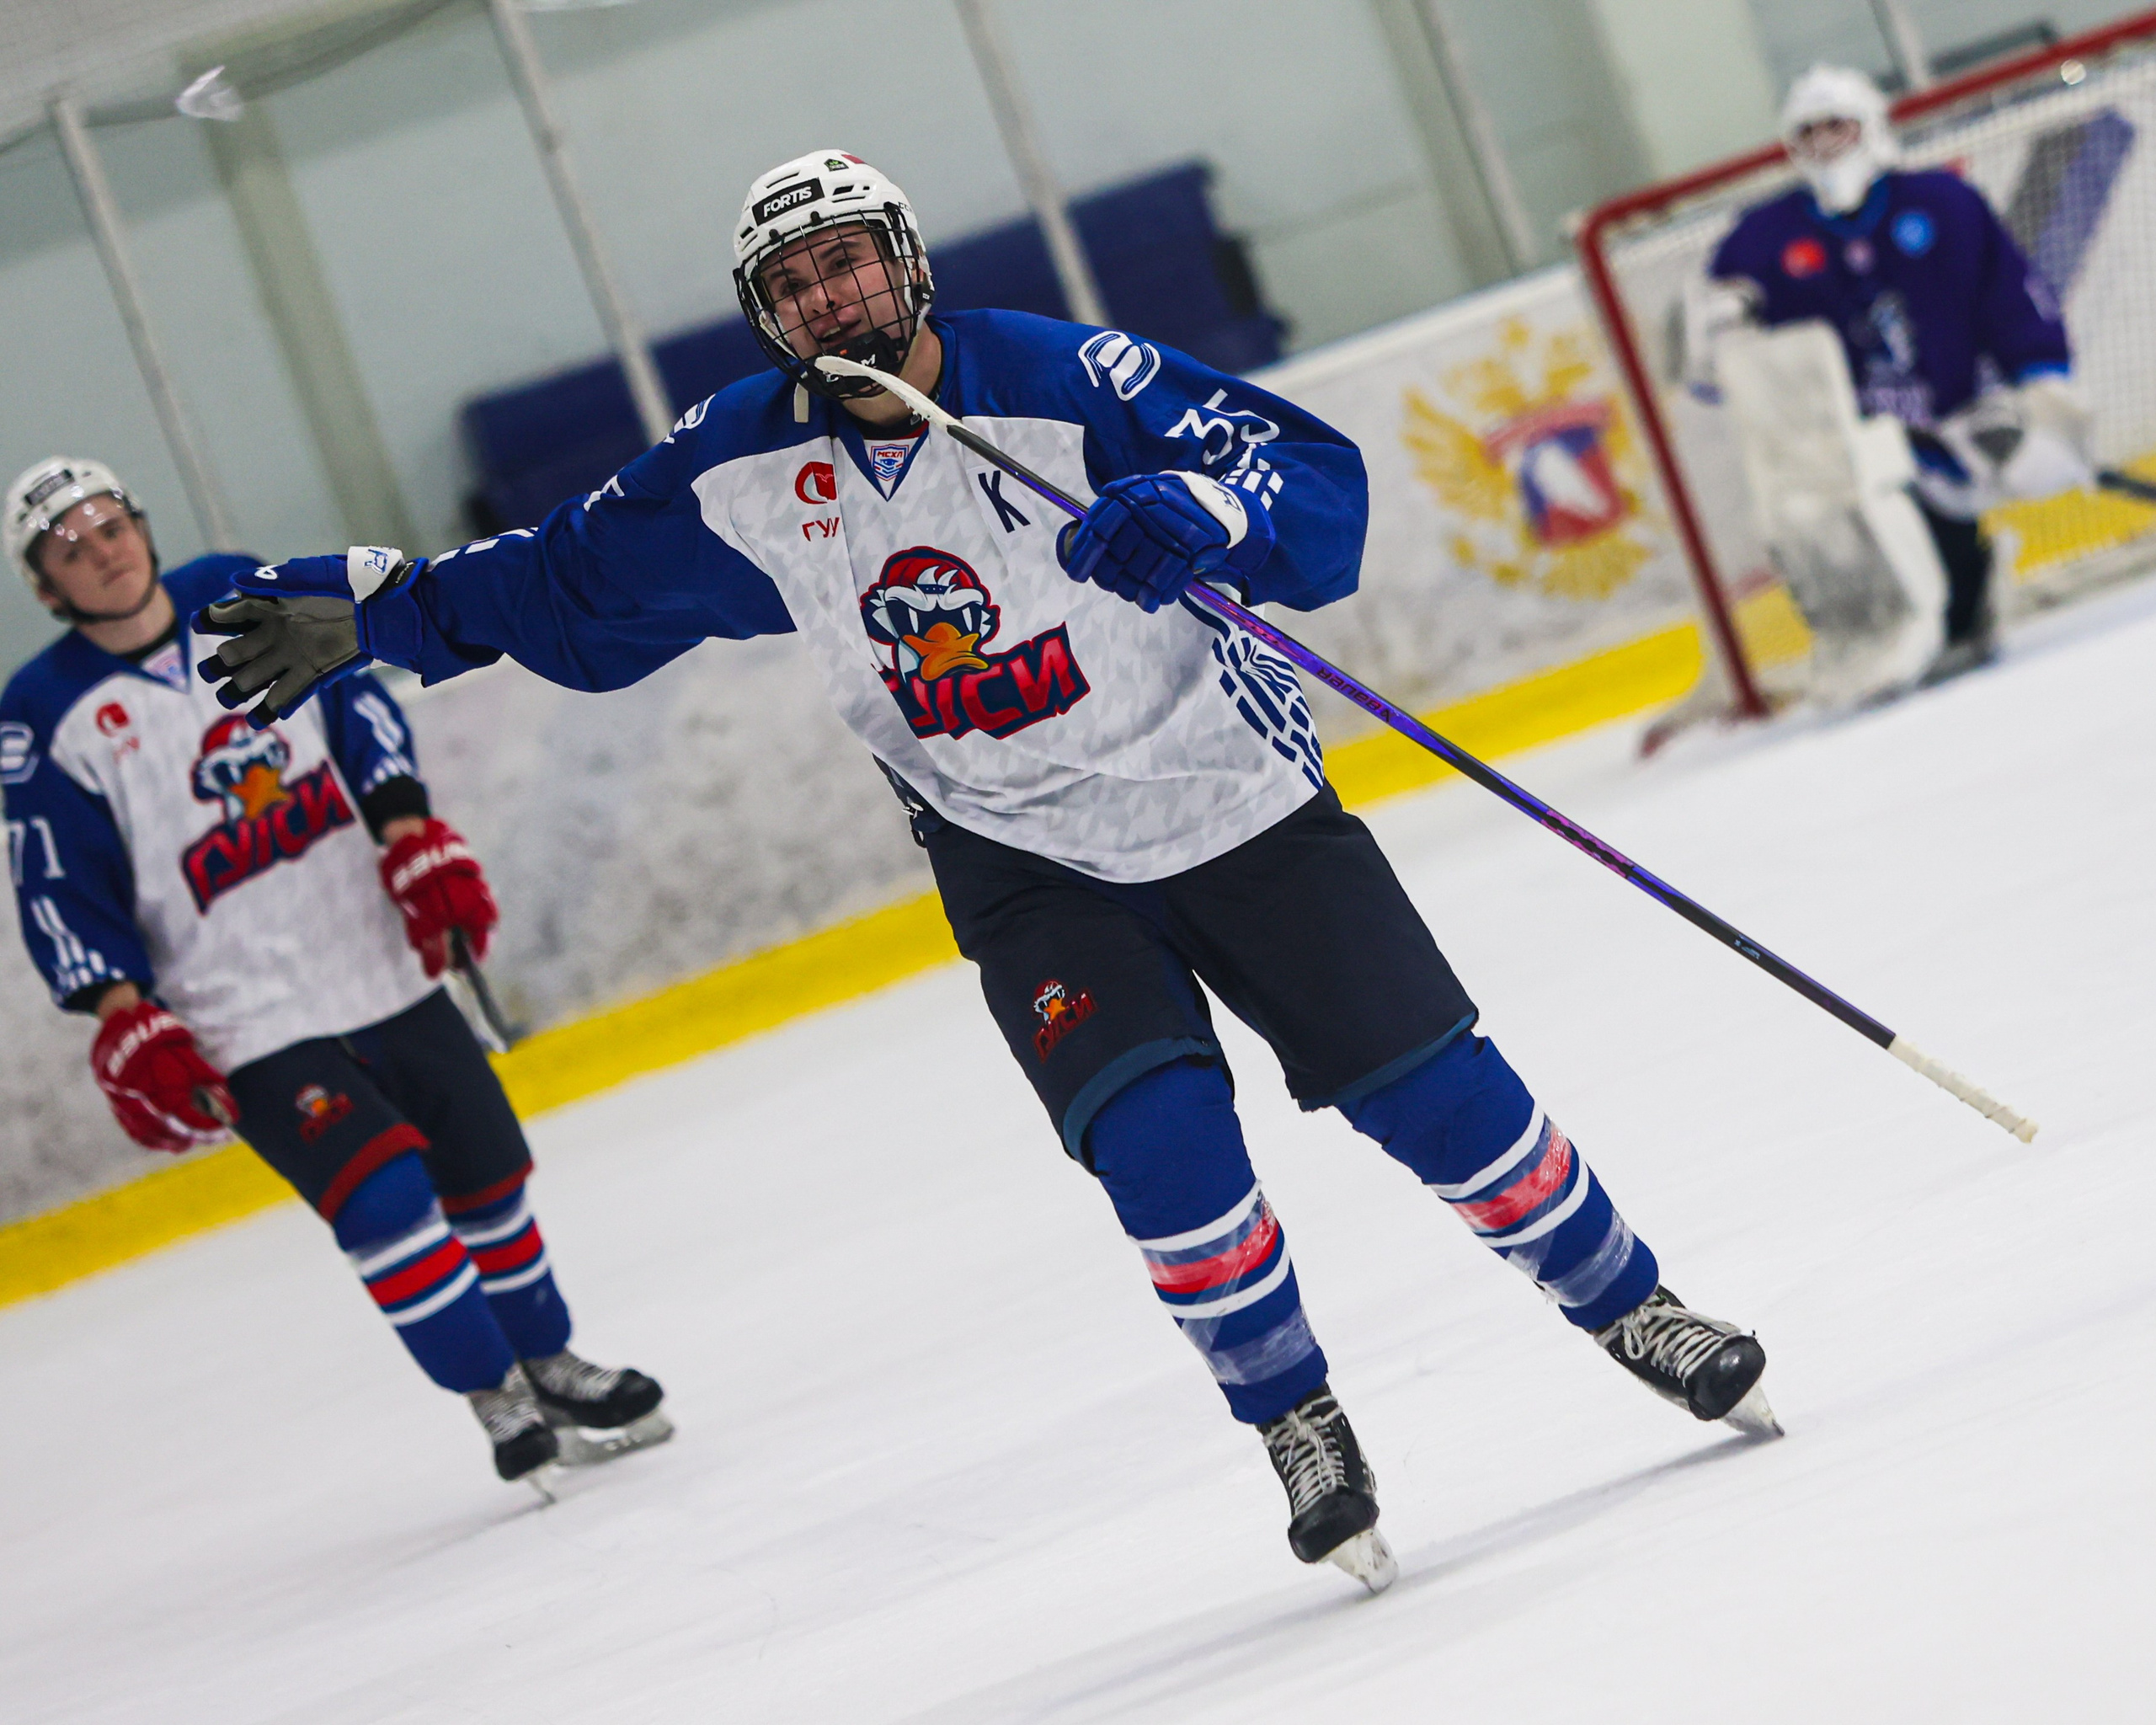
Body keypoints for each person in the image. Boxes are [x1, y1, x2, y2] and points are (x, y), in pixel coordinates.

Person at [197, 152, 1775, 1588]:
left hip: (1230, 802)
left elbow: (1307, 486)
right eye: (796, 281)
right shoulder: (742, 463)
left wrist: (1201, 510)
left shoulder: (1065, 376)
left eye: (851, 262)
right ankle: (1297, 1419)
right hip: (1022, 859)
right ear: (768, 316)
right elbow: (566, 580)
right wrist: (393, 612)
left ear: (907, 266)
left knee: (1439, 1101)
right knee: (1161, 1156)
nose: (833, 296)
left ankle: (1631, 1301)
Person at [0, 457, 666, 1487]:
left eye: (109, 523)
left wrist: (411, 835)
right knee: (383, 1196)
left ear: (141, 524)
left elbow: (354, 705)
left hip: (367, 945)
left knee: (486, 1166)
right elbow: (58, 878)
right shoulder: (42, 715)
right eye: (70, 548)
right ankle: (495, 1395)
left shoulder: (238, 592)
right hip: (238, 1008)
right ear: (47, 588)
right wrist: (124, 1011)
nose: (102, 550)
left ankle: (552, 1361)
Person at [1693, 65, 2093, 681]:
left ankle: (1968, 593)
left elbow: (2008, 298)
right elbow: (1713, 373)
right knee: (1831, 523)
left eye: (1837, 127)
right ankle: (1897, 624)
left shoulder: (1943, 203)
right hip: (1855, 445)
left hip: (1961, 415)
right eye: (1809, 133)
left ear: (1872, 128)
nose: (1824, 145)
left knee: (2028, 469)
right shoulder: (1759, 240)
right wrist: (1718, 332)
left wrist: (2031, 392)